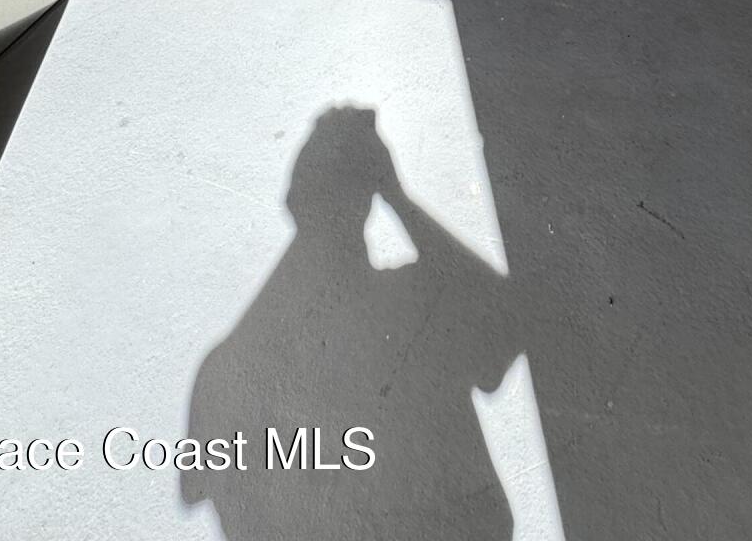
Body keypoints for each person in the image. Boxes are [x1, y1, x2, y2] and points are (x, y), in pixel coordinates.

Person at [183, 106, 519, 538]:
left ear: (295, 201)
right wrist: (397, 197)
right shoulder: (411, 301)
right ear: (370, 195)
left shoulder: (231, 364)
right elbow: (501, 318)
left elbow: (201, 486)